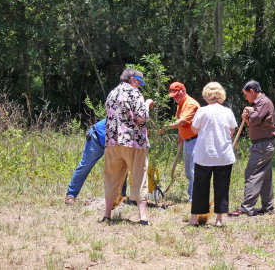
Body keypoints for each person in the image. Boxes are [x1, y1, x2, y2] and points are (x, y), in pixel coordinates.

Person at [102, 68, 154, 225]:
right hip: (133, 142)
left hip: (112, 142)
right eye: (139, 81)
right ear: (132, 79)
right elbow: (141, 118)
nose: (139, 85)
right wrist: (147, 104)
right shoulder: (134, 93)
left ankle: (107, 215)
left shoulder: (111, 93)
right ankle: (143, 217)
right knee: (139, 176)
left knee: (111, 178)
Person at [188, 82, 237, 227]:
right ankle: (219, 220)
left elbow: (194, 129)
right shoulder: (227, 111)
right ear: (221, 95)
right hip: (223, 155)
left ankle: (193, 219)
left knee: (200, 187)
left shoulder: (202, 111)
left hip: (204, 155)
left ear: (206, 95)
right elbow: (232, 131)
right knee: (222, 187)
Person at [228, 80, 275, 217]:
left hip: (262, 146)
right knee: (265, 177)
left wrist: (248, 114)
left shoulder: (263, 102)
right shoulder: (260, 104)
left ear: (252, 91)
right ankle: (268, 207)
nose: (246, 98)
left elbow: (254, 120)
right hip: (263, 145)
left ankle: (246, 208)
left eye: (246, 95)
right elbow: (253, 123)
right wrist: (249, 114)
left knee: (252, 174)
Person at [64, 119, 127, 205]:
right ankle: (71, 195)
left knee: (122, 166)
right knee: (85, 166)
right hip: (96, 137)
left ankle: (122, 196)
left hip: (111, 143)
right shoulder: (122, 114)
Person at [166, 82, 200, 202]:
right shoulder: (180, 103)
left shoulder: (191, 104)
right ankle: (191, 195)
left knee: (194, 170)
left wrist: (165, 127)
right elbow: (179, 120)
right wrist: (181, 135)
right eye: (173, 96)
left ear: (183, 91)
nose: (175, 98)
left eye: (176, 95)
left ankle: (195, 197)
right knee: (188, 172)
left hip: (196, 141)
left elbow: (182, 121)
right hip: (187, 141)